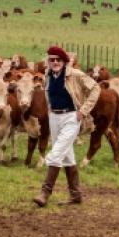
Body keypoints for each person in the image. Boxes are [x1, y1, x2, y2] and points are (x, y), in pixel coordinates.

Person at [33, 46, 101, 207]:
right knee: (66, 155)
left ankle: (45, 193)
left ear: (64, 61)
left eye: (58, 60)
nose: (55, 62)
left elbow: (96, 88)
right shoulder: (48, 75)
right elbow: (49, 93)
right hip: (54, 117)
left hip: (71, 116)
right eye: (52, 60)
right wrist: (50, 107)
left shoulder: (75, 74)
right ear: (48, 61)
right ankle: (76, 195)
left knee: (56, 153)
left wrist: (83, 111)